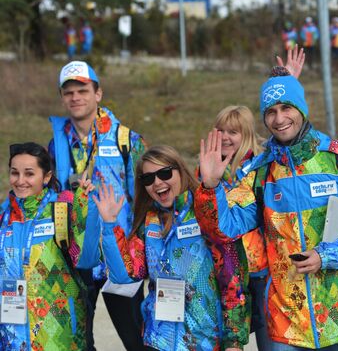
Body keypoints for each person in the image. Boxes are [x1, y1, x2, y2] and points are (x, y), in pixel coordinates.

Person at [194, 66, 338, 350]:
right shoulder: (262, 172)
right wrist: (210, 188)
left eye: (286, 107)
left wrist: (325, 256)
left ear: (301, 108)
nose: (279, 119)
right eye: (270, 111)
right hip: (287, 322)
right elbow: (225, 228)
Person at [93, 145, 250, 351]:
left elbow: (233, 280)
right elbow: (126, 274)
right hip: (158, 340)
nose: (157, 182)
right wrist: (110, 226)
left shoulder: (205, 212)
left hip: (205, 341)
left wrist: (234, 341)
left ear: (181, 171)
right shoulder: (148, 221)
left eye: (164, 173)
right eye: (148, 179)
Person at [48, 60, 146, 351]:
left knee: (137, 341)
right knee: (79, 343)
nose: (76, 97)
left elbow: (143, 197)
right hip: (76, 257)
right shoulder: (56, 145)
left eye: (83, 90)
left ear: (98, 93)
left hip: (118, 254)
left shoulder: (125, 139)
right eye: (69, 92)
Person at [0, 142, 97, 350]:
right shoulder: (3, 216)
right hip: (11, 336)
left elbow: (86, 258)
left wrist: (86, 212)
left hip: (58, 336)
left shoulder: (61, 210)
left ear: (46, 177)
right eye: (14, 173)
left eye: (29, 174)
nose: (20, 181)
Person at [213, 105, 271, 350]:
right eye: (221, 130)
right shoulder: (209, 169)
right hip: (224, 273)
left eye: (233, 132)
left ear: (246, 134)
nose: (225, 137)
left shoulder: (263, 166)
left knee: (271, 341)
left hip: (262, 271)